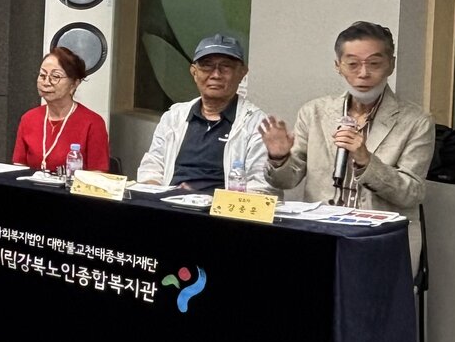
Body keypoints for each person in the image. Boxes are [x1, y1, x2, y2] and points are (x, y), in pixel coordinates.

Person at [260, 21, 434, 272]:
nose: (363, 73)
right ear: (338, 66)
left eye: (374, 63)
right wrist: (279, 158)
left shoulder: (416, 121)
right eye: (353, 64)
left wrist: (366, 161)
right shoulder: (315, 112)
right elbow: (287, 180)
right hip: (320, 235)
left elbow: (412, 193)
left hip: (380, 241)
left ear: (391, 64)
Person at [137, 33, 271, 192]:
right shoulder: (174, 117)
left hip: (221, 206)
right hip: (169, 202)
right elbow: (152, 165)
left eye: (226, 67)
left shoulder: (257, 124)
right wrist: (154, 192)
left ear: (242, 73)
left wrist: (202, 200)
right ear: (194, 72)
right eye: (207, 66)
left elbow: (260, 187)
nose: (216, 75)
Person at [12, 46, 110, 173]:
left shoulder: (93, 123)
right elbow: (18, 167)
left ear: (74, 83)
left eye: (55, 76)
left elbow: (97, 174)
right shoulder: (28, 119)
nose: (46, 82)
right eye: (42, 75)